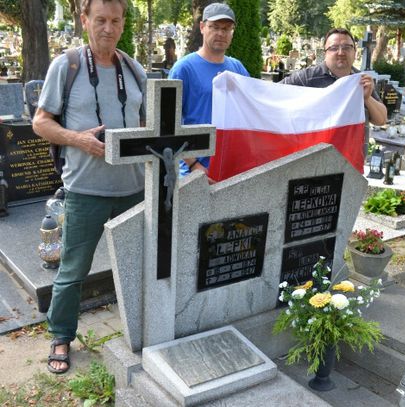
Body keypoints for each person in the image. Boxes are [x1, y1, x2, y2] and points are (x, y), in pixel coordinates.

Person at [33, 0, 146, 374]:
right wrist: (80, 140)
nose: (108, 28)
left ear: (123, 22)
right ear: (85, 21)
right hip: (85, 190)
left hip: (133, 190)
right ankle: (61, 336)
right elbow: (40, 122)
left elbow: (150, 122)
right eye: (100, 20)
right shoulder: (66, 66)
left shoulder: (133, 69)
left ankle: (143, 333)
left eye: (115, 20)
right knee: (72, 271)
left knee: (139, 266)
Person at [168, 2, 249, 180]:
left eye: (227, 29)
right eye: (215, 27)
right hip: (193, 172)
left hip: (229, 168)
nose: (221, 33)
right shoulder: (184, 68)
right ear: (202, 27)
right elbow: (169, 124)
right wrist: (194, 164)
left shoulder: (237, 68)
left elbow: (249, 113)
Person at [280, 28, 387, 159]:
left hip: (350, 164)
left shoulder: (361, 81)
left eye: (347, 47)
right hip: (311, 162)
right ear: (325, 53)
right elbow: (274, 93)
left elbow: (381, 119)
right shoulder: (306, 78)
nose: (341, 52)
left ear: (355, 52)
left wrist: (367, 98)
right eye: (334, 48)